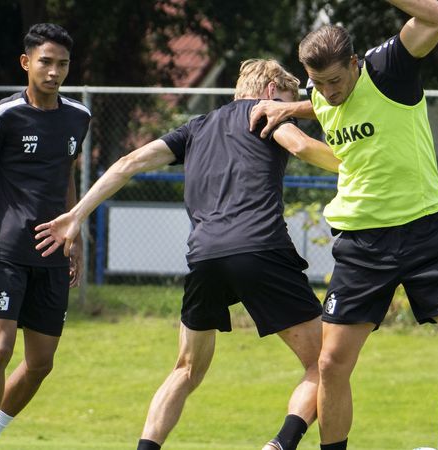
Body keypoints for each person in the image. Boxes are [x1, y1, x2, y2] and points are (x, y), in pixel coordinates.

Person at [34, 59, 341, 450]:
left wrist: (76, 215)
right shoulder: (267, 114)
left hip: (205, 255)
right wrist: (361, 166)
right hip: (261, 247)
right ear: (267, 93)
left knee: (186, 368)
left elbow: (129, 163)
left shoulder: (195, 128)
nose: (287, 110)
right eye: (285, 100)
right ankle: (281, 444)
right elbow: (300, 146)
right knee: (325, 363)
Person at [249, 1, 438, 449]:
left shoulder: (388, 70)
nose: (329, 91)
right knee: (332, 364)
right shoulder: (322, 93)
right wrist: (290, 109)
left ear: (355, 64)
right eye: (317, 83)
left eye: (336, 80)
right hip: (362, 245)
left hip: (427, 235)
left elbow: (436, 16)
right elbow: (323, 102)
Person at [0, 23, 91, 450]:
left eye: (62, 64)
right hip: (7, 250)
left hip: (52, 252)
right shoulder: (1, 115)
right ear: (26, 62)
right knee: (0, 348)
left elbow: (67, 179)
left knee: (40, 364)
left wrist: (75, 235)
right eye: (46, 62)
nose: (54, 72)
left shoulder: (78, 117)